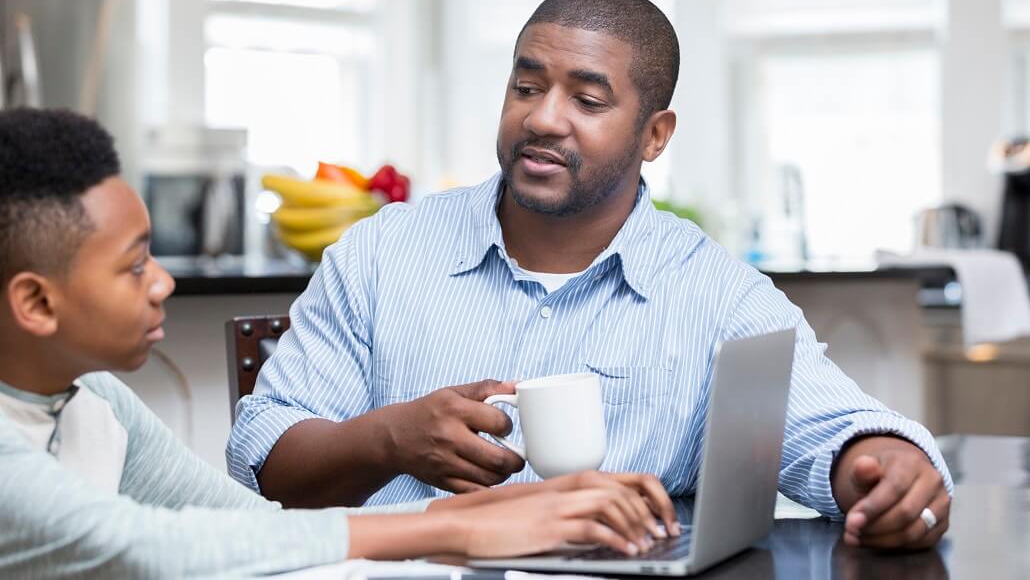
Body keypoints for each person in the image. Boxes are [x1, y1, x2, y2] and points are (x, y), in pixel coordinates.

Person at [228, 0, 953, 551]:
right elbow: (264, 458)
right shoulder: (381, 253)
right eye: (526, 86)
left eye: (587, 98)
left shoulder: (716, 292)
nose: (544, 117)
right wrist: (389, 438)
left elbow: (837, 430)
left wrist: (885, 466)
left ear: (654, 135)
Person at [0, 108, 679, 578]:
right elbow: (145, 551)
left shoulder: (98, 403)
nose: (164, 282)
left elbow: (247, 529)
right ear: (35, 301)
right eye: (134, 265)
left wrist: (511, 507)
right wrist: (458, 529)